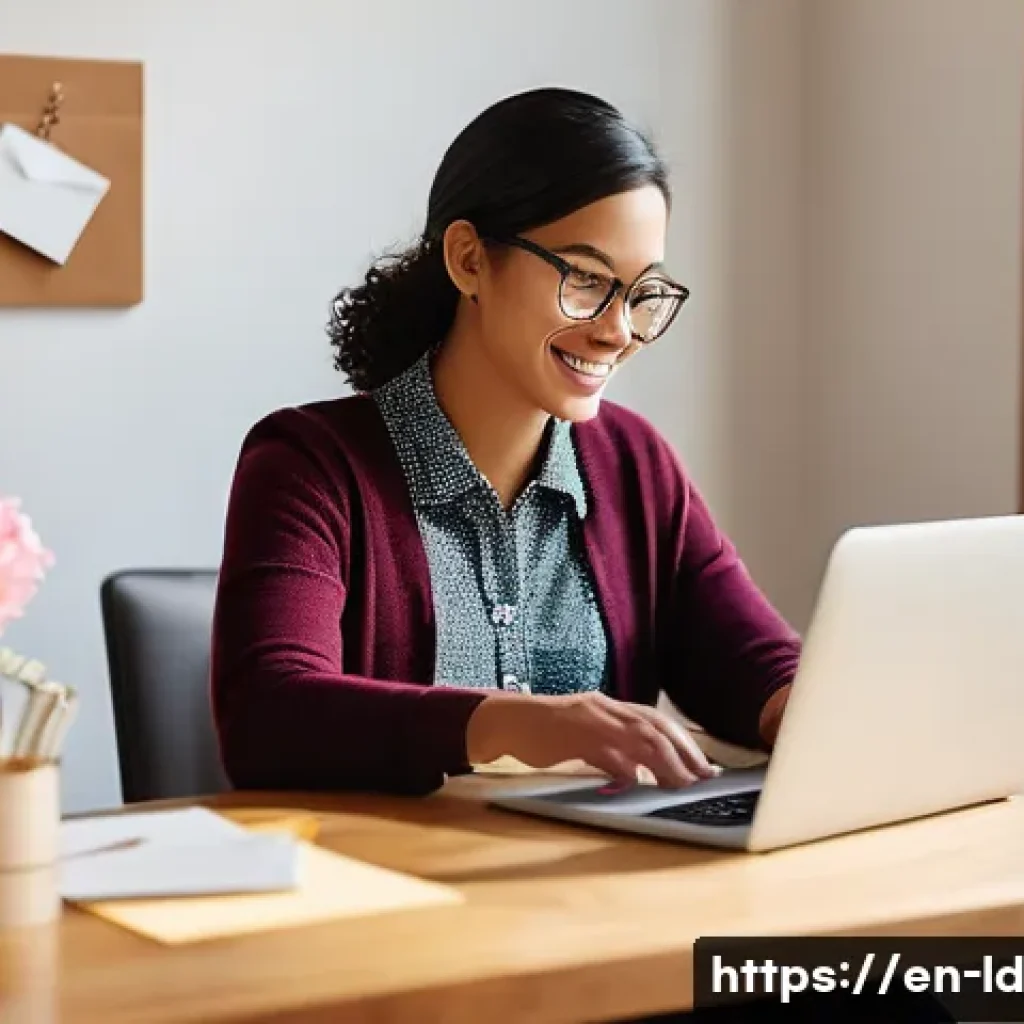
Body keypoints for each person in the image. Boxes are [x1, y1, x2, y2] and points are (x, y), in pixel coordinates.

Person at [210, 87, 801, 797]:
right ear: (468, 260)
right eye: (584, 280)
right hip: (392, 890)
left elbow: (754, 666)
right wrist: (521, 724)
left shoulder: (634, 465)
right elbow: (267, 718)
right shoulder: (310, 466)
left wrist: (811, 712)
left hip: (588, 888)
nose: (618, 331)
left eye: (642, 292)